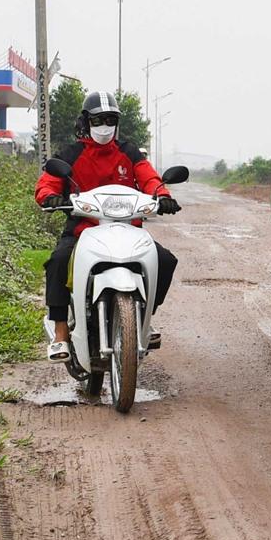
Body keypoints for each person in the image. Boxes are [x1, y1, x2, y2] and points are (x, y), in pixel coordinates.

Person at [34, 91, 180, 360]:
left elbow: (149, 178)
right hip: (83, 230)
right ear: (86, 122)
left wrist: (163, 196)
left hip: (128, 229)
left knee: (165, 260)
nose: (105, 126)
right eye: (98, 120)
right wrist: (50, 196)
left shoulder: (129, 152)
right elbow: (48, 183)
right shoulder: (71, 154)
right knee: (58, 261)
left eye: (110, 119)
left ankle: (144, 320)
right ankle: (61, 332)